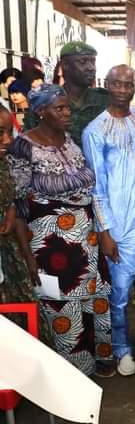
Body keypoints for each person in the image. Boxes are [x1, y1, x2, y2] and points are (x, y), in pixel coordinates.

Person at [9, 84, 113, 377]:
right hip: (51, 243)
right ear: (41, 112)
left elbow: (90, 190)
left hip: (86, 237)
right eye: (60, 108)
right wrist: (29, 258)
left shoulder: (69, 140)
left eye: (67, 107)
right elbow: (17, 204)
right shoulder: (24, 146)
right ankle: (73, 374)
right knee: (63, 306)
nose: (68, 113)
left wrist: (101, 231)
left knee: (94, 298)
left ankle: (97, 361)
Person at [82, 65, 135, 377]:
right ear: (107, 85)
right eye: (116, 83)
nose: (122, 89)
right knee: (120, 291)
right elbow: (96, 188)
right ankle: (120, 349)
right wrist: (105, 230)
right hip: (121, 224)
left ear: (134, 88)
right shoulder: (95, 131)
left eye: (128, 84)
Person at [0, 106, 50, 341]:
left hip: (9, 256)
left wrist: (9, 208)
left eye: (10, 132)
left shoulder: (4, 162)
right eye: (1, 132)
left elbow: (10, 195)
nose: (8, 140)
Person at [23, 42, 109, 146]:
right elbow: (28, 142)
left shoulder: (105, 100)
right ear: (65, 65)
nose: (91, 68)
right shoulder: (47, 101)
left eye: (93, 62)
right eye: (83, 62)